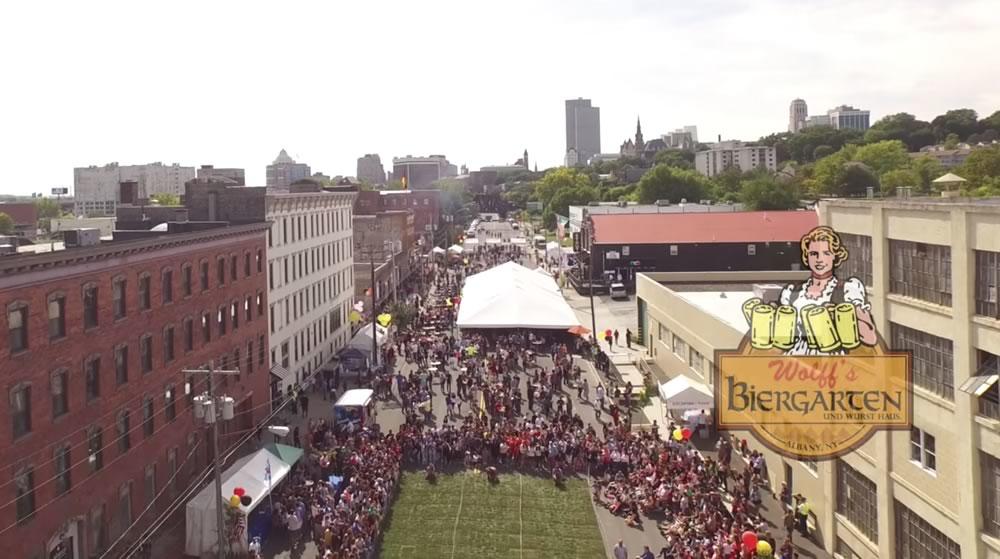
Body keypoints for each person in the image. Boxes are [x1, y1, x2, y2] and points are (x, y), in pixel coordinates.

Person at [778, 226, 877, 355]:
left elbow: (870, 338)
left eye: (826, 253)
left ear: (834, 257)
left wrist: (843, 315)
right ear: (807, 257)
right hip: (795, 365)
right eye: (814, 254)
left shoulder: (847, 290)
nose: (819, 259)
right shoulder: (791, 292)